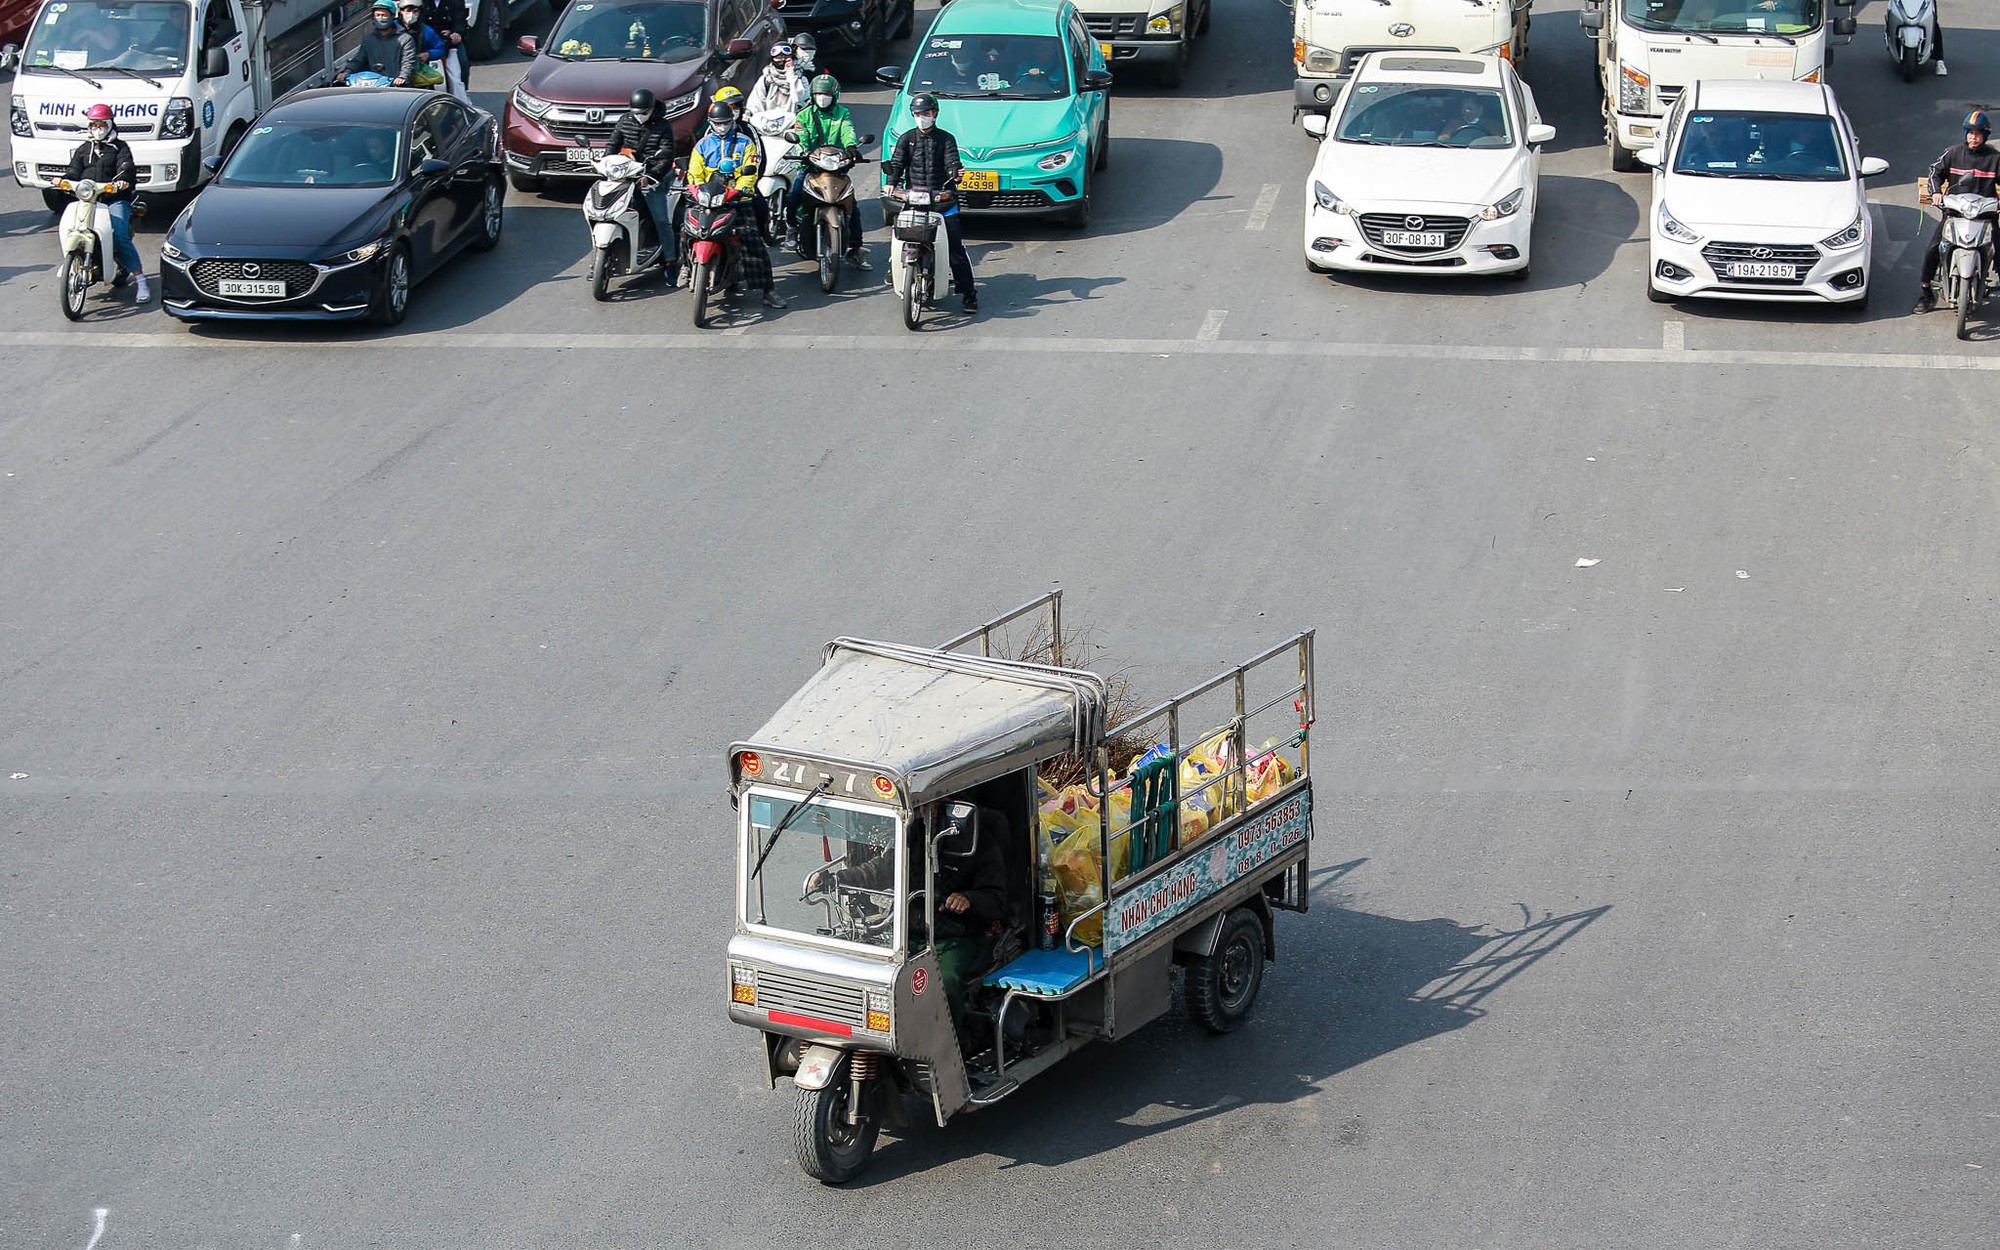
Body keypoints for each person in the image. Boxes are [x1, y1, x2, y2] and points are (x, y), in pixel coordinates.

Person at [808, 800, 1009, 1046]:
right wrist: (836, 878)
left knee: (943, 980)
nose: (924, 812)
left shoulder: (980, 843)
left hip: (956, 937)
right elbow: (881, 869)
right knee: (860, 967)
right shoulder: (911, 835)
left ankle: (949, 1046)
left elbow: (997, 901)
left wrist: (968, 900)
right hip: (907, 931)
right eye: (921, 806)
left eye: (930, 805)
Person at [883, 92, 976, 311]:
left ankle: (969, 293)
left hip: (942, 201)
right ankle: (895, 270)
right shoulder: (907, 138)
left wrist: (956, 172)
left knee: (955, 249)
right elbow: (896, 164)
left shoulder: (946, 138)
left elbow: (953, 161)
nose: (922, 117)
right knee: (898, 241)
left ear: (934, 114)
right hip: (915, 200)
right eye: (918, 113)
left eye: (926, 113)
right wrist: (891, 182)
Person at [686, 101, 785, 307]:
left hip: (737, 200)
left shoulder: (745, 142)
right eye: (717, 123)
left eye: (725, 122)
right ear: (711, 123)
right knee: (685, 230)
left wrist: (738, 190)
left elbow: (751, 170)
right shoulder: (702, 145)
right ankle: (685, 268)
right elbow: (694, 173)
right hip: (708, 201)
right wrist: (696, 189)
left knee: (752, 241)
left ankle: (768, 290)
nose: (721, 126)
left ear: (732, 121)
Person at [1914, 110, 1999, 313]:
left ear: (1985, 135)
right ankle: (1926, 292)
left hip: (1985, 216)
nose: (1973, 137)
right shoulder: (1953, 153)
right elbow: (1935, 172)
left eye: (1978, 133)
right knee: (1933, 249)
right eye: (1970, 132)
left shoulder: (1995, 158)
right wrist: (1935, 193)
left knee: (1999, 248)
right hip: (1955, 214)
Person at [63, 103, 147, 301]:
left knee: (120, 236)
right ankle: (71, 261)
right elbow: (74, 169)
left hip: (113, 200)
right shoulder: (83, 149)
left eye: (102, 124)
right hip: (89, 201)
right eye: (94, 124)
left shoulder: (121, 148)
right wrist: (66, 180)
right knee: (71, 226)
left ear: (110, 125)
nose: (97, 128)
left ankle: (141, 281)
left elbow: (126, 167)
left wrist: (122, 180)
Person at [786, 74, 868, 269]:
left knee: (853, 208)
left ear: (835, 95)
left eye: (827, 94)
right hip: (810, 166)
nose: (823, 97)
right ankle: (790, 227)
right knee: (794, 194)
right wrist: (803, 153)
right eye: (819, 94)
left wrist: (852, 148)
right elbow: (800, 136)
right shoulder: (804, 115)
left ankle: (856, 249)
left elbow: (848, 131)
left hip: (836, 167)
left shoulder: (843, 113)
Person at [606, 87, 680, 277]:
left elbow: (666, 156)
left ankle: (671, 261)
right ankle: (604, 257)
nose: (639, 116)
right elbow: (612, 145)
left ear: (651, 109)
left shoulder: (663, 126)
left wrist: (650, 176)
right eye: (636, 112)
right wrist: (606, 163)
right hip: (627, 175)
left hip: (654, 178)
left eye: (643, 113)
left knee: (661, 220)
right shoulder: (625, 121)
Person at [336, 0, 416, 85]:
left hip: (396, 87)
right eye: (377, 15)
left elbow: (408, 62)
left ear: (392, 16)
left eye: (384, 15)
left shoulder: (405, 39)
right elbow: (359, 60)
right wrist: (347, 72)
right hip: (373, 86)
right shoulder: (369, 39)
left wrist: (402, 77)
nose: (380, 18)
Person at [745, 40, 809, 134]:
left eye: (786, 57)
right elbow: (755, 103)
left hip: (791, 127)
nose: (782, 60)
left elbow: (799, 98)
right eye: (778, 57)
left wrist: (791, 74)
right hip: (767, 127)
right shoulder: (766, 79)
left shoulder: (801, 79)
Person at [419, 0, 471, 101]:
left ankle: (463, 92)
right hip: (426, 41)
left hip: (449, 43)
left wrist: (456, 33)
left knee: (463, 63)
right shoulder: (421, 2)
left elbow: (460, 20)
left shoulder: (456, 2)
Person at [397, 2, 448, 90]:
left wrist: (428, 54)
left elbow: (440, 49)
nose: (411, 14)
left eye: (415, 11)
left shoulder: (426, 30)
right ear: (401, 11)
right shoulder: (393, 27)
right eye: (408, 11)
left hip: (418, 75)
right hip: (395, 72)